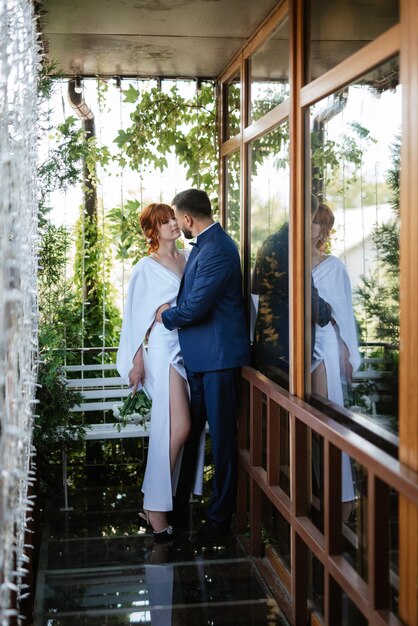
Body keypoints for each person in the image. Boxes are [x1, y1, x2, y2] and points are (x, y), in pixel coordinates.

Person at [156, 188, 251, 542]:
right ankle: (177, 508)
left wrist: (165, 317)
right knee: (191, 435)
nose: (179, 225)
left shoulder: (217, 249)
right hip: (200, 360)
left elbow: (194, 307)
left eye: (178, 219)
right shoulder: (208, 246)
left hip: (219, 361)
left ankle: (218, 522)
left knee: (223, 442)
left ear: (187, 219)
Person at [116, 202, 205, 541]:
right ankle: (155, 506)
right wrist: (137, 361)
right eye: (164, 222)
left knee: (178, 428)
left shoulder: (186, 258)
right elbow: (135, 317)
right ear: (152, 231)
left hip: (190, 346)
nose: (172, 224)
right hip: (164, 350)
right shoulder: (146, 267)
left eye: (172, 219)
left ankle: (159, 502)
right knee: (177, 428)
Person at [311, 202, 361, 520]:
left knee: (328, 420)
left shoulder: (334, 266)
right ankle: (318, 494)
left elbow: (343, 313)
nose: (314, 227)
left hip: (325, 344)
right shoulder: (289, 260)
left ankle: (343, 501)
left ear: (325, 231)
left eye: (319, 223)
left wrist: (345, 351)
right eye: (310, 220)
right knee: (310, 423)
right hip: (299, 346)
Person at [251, 194, 332, 384]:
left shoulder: (269, 242)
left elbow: (255, 286)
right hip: (287, 349)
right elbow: (312, 305)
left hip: (265, 343)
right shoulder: (294, 247)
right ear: (309, 215)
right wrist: (326, 309)